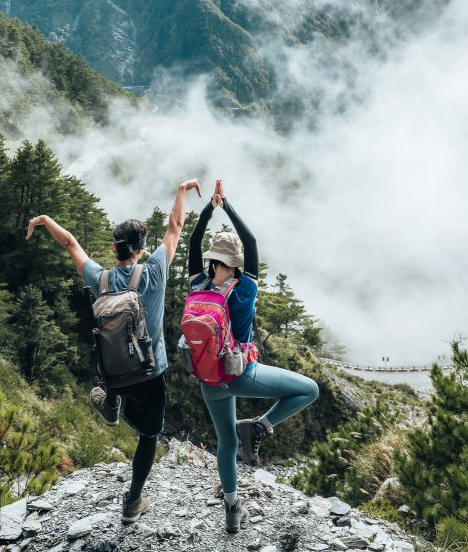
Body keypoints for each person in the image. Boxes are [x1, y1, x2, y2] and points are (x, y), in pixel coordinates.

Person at [26, 178, 201, 525]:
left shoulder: (100, 279)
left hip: (115, 375)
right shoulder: (154, 271)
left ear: (114, 247)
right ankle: (133, 501)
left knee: (114, 382)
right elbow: (176, 226)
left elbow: (71, 244)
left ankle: (110, 403)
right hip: (150, 372)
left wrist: (45, 220)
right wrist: (180, 190)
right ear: (141, 249)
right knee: (149, 436)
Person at [189, 179, 319, 533]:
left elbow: (193, 240)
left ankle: (232, 508)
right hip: (241, 374)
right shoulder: (245, 287)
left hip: (209, 379)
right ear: (236, 263)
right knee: (308, 390)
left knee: (226, 442)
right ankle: (260, 427)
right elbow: (252, 241)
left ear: (212, 260)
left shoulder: (196, 284)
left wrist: (208, 210)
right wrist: (227, 204)